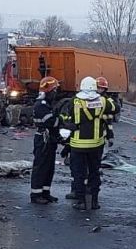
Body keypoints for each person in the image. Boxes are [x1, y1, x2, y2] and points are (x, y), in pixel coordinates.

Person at [60, 76, 111, 210]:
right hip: (96, 144)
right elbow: (114, 108)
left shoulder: (74, 101)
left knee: (79, 174)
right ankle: (94, 202)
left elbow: (66, 118)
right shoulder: (102, 101)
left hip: (78, 145)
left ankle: (81, 201)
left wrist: (67, 126)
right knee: (94, 172)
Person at [30, 76, 62, 205]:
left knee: (49, 167)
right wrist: (62, 120)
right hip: (43, 139)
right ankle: (36, 194)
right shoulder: (41, 105)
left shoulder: (47, 104)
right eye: (54, 90)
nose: (55, 93)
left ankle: (45, 192)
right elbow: (51, 122)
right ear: (48, 91)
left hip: (49, 139)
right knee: (41, 167)